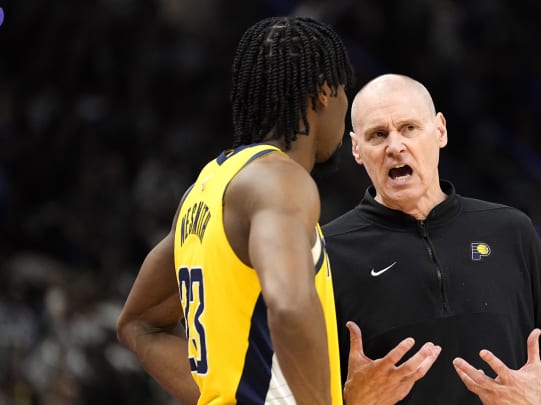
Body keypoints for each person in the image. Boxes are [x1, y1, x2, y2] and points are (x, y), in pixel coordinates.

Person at [115, 16, 359, 405]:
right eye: (346, 91)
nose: (347, 107)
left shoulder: (205, 189)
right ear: (324, 92)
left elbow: (139, 324)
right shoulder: (282, 182)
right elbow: (290, 305)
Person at [323, 73, 541, 404]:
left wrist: (539, 400)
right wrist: (349, 401)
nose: (395, 146)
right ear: (357, 149)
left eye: (409, 128)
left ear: (440, 130)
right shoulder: (328, 252)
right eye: (378, 135)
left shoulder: (511, 230)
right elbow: (294, 390)